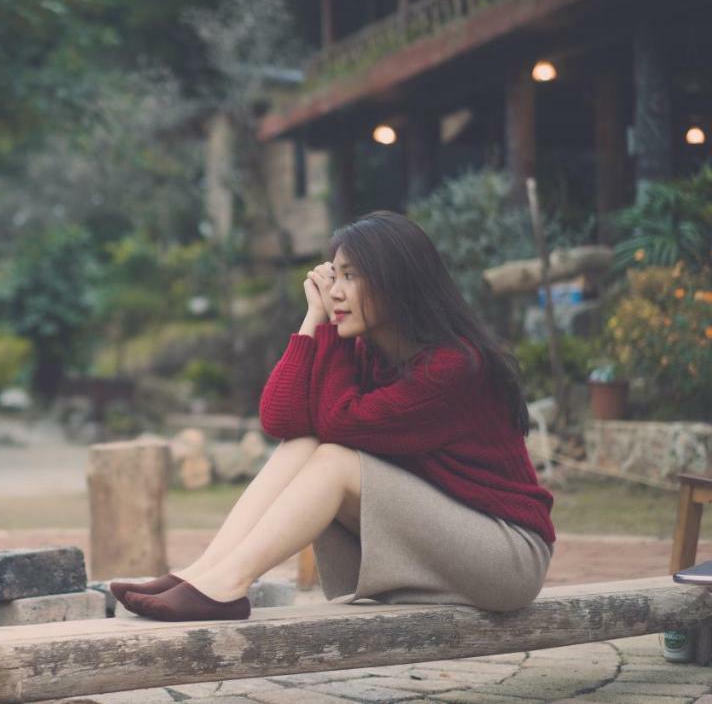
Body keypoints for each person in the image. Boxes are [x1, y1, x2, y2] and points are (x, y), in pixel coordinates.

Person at [112, 211, 554, 622]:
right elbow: (281, 419)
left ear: (396, 283)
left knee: (335, 460)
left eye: (351, 276)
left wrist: (332, 335)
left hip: (506, 554)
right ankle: (203, 573)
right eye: (333, 276)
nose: (334, 291)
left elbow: (340, 424)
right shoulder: (373, 353)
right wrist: (314, 318)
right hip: (447, 533)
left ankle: (227, 585)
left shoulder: (453, 367)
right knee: (303, 444)